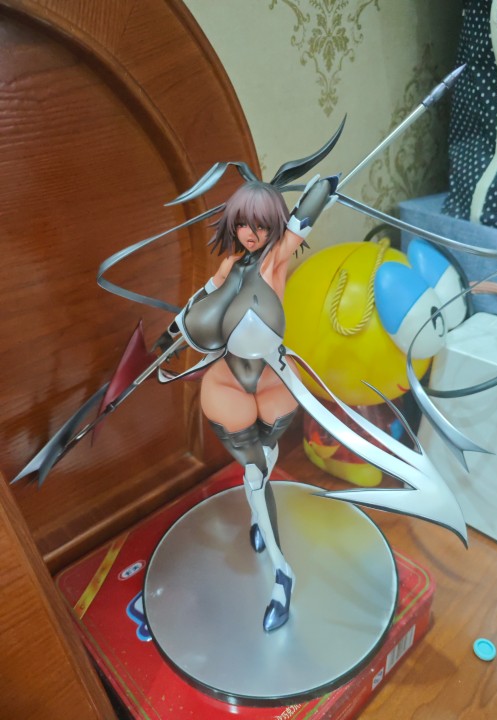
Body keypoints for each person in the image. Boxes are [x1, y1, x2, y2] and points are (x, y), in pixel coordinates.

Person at [154, 176, 337, 632]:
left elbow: (308, 212)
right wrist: (166, 340)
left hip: (273, 380)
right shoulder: (228, 265)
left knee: (264, 464)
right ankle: (282, 572)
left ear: (273, 225)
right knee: (255, 475)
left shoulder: (277, 258)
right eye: (242, 224)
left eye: (260, 225)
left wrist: (325, 186)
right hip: (228, 382)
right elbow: (197, 306)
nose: (250, 234)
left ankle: (260, 514)